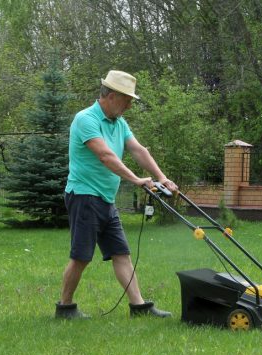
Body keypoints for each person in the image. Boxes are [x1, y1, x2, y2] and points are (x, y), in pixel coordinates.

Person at [55, 70, 179, 320]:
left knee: (121, 253)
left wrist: (161, 177)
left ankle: (139, 306)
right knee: (81, 256)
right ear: (111, 96)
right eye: (127, 100)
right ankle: (65, 308)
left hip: (105, 199)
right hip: (84, 196)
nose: (130, 105)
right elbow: (105, 156)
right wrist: (135, 179)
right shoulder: (85, 119)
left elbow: (138, 150)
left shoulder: (119, 123)